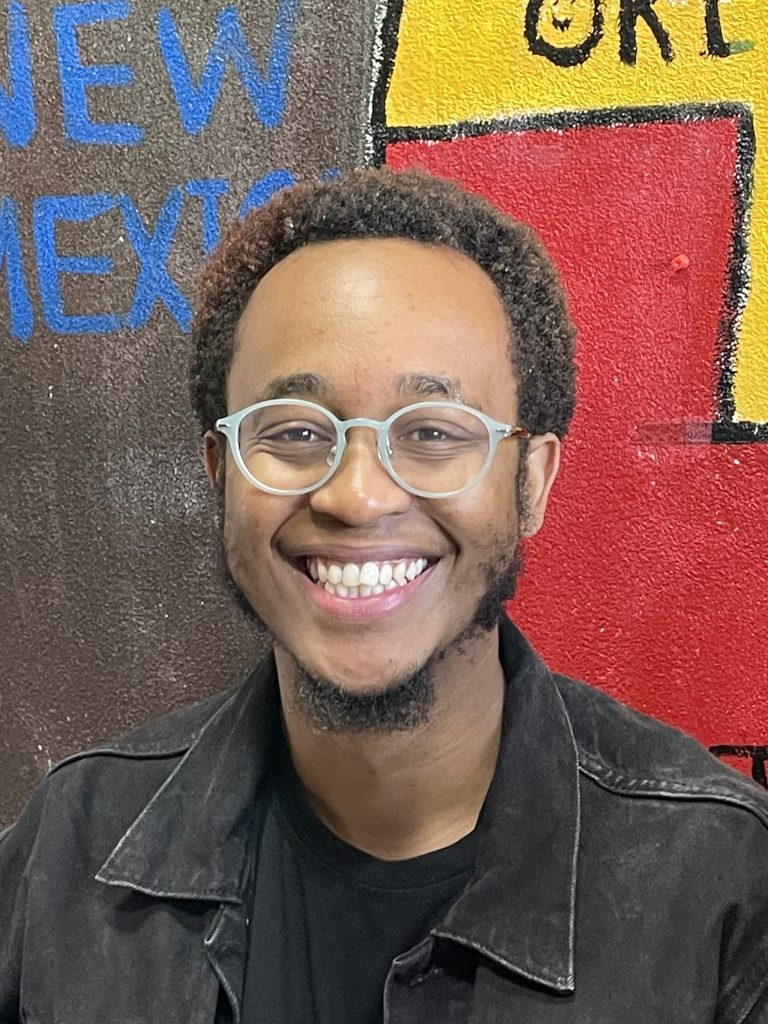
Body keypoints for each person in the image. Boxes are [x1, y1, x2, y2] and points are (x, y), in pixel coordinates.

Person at [1, 168, 766, 1024]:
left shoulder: (724, 890)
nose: (357, 496)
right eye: (295, 432)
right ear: (222, 477)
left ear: (532, 481)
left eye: (432, 433)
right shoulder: (67, 855)